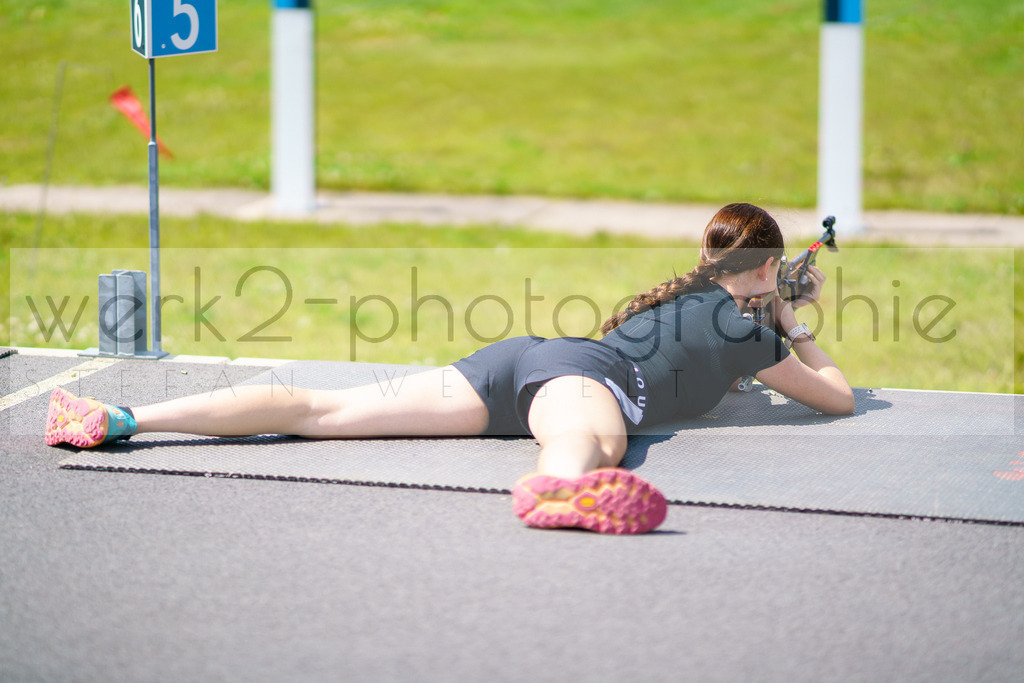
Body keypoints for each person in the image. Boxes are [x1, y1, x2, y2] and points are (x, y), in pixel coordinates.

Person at [45, 203, 854, 535]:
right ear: (763, 268)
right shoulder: (750, 328)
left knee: (318, 409)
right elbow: (839, 399)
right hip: (580, 382)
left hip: (520, 365)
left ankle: (120, 418)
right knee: (598, 442)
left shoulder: (681, 300)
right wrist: (793, 320)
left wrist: (772, 307)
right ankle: (562, 489)